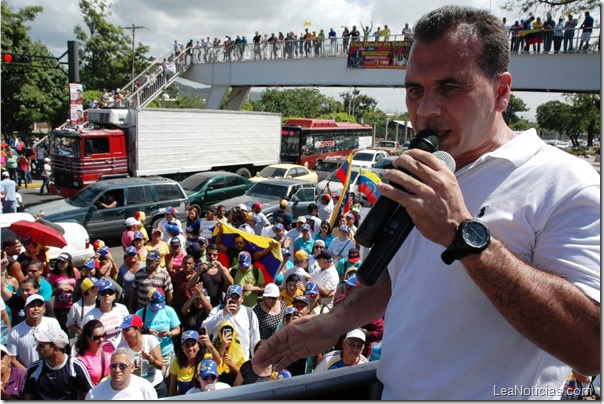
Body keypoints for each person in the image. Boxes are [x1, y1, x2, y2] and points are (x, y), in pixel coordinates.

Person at [253, 6, 599, 400]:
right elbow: (400, 275)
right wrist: (337, 321)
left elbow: (591, 349)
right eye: (415, 90)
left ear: (501, 92)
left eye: (450, 87)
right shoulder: (423, 167)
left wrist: (462, 235)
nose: (425, 110)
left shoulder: (565, 182)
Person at [22, 328, 94, 399]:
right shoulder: (34, 369)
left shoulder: (75, 367)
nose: (37, 349)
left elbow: (90, 395)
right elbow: (27, 398)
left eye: (41, 346)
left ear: (56, 348)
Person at [116, 314, 167, 398]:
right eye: (123, 330)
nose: (124, 333)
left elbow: (160, 365)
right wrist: (130, 370)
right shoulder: (121, 347)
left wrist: (150, 359)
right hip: (136, 388)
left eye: (127, 330)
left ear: (137, 329)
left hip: (155, 385)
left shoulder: (151, 340)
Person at [6, 294, 62, 369]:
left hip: (51, 371)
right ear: (25, 310)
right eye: (32, 306)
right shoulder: (15, 331)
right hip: (27, 372)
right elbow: (13, 360)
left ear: (44, 309)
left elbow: (59, 348)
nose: (36, 308)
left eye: (39, 306)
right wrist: (29, 373)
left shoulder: (53, 323)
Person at [85, 347, 158, 400]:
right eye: (113, 366)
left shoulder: (145, 388)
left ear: (132, 368)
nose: (117, 370)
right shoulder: (94, 394)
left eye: (122, 366)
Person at [82, 280, 130, 349]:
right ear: (98, 296)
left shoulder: (122, 309)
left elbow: (128, 328)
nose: (107, 295)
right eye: (103, 293)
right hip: (99, 350)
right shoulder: (89, 316)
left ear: (114, 296)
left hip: (120, 349)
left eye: (110, 292)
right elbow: (83, 336)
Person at [75, 319, 114, 385]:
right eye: (97, 337)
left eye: (103, 335)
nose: (101, 339)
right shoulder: (81, 359)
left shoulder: (109, 347)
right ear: (87, 338)